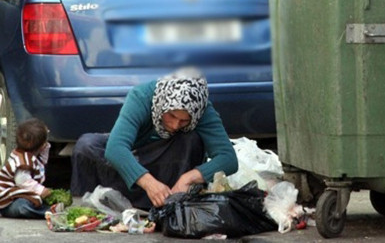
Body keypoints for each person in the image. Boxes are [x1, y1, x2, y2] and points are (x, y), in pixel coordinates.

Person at [71, 68, 238, 209]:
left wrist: (189, 178)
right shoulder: (141, 96)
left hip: (169, 168)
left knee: (192, 138)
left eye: (184, 120)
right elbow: (116, 149)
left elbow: (228, 158)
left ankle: (171, 204)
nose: (174, 125)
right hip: (137, 159)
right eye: (171, 115)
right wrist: (149, 183)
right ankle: (102, 205)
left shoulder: (202, 109)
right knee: (86, 145)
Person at [0, 118, 52, 218]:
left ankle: (45, 208)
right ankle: (47, 212)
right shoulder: (22, 162)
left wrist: (45, 146)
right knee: (23, 207)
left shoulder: (32, 156)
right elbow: (22, 181)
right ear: (41, 146)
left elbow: (43, 161)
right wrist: (41, 190)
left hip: (20, 195)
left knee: (34, 200)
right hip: (7, 201)